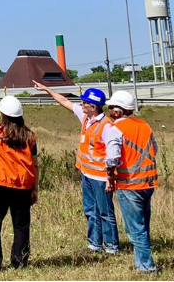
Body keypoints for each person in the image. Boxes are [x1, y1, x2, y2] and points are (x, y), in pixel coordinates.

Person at [32, 80, 120, 255]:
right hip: (86, 173)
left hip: (101, 178)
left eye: (85, 102)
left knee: (105, 211)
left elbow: (113, 156)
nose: (81, 104)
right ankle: (94, 244)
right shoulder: (86, 117)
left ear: (93, 106)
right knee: (90, 210)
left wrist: (111, 177)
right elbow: (65, 102)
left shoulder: (107, 127)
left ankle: (111, 246)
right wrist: (47, 89)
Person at [0, 95, 39, 271]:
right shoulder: (30, 136)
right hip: (23, 185)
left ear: (2, 114)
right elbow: (34, 164)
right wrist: (35, 188)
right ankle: (20, 261)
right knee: (21, 224)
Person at [106, 90, 159, 273]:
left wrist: (111, 175)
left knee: (135, 228)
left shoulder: (115, 129)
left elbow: (112, 158)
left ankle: (146, 267)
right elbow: (155, 149)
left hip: (129, 185)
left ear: (119, 111)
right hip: (148, 183)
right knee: (143, 225)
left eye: (111, 107)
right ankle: (141, 262)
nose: (109, 110)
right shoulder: (144, 125)